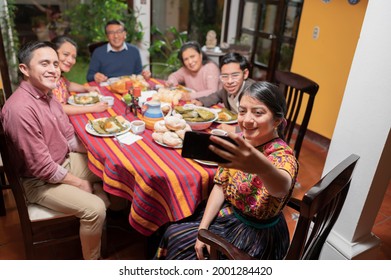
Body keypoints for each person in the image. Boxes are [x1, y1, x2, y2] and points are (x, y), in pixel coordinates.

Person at [155, 82, 298, 260]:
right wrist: (203, 229)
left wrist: (262, 167)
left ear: (277, 120)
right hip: (231, 215)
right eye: (243, 111)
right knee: (172, 232)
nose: (246, 120)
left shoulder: (282, 155)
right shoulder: (240, 141)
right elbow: (220, 185)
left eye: (258, 112)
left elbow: (282, 186)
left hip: (255, 237)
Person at [1, 41, 108, 260]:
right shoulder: (20, 109)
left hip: (62, 162)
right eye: (44, 63)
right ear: (24, 69)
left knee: (112, 170)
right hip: (38, 181)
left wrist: (100, 154)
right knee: (95, 208)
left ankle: (109, 208)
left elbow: (70, 138)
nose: (54, 69)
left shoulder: (47, 94)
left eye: (55, 64)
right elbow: (42, 168)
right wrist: (80, 183)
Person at [51, 36, 109, 115]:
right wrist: (93, 108)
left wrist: (87, 89)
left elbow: (68, 85)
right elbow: (59, 108)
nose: (70, 60)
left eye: (73, 57)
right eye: (66, 54)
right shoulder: (48, 79)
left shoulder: (58, 76)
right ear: (52, 52)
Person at [86, 20, 150, 83]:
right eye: (111, 33)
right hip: (106, 89)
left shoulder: (134, 51)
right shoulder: (98, 52)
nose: (116, 36)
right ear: (107, 36)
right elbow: (89, 77)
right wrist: (95, 76)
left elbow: (138, 74)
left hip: (129, 88)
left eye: (119, 32)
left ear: (125, 34)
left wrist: (144, 75)